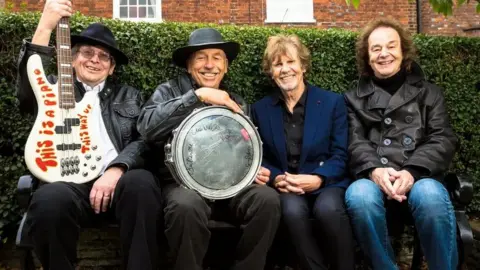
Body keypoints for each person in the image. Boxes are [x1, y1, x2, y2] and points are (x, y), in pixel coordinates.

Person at [16, 0, 162, 269]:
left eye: (104, 56)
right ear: (71, 58)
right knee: (49, 201)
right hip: (69, 184)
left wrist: (117, 168)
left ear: (112, 67)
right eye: (87, 52)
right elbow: (25, 94)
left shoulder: (129, 96)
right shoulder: (53, 90)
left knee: (142, 183)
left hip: (118, 182)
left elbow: (145, 139)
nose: (95, 59)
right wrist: (45, 25)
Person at [136, 27, 281, 270]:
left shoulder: (235, 101)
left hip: (230, 185)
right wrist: (197, 96)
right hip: (181, 185)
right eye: (201, 58)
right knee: (185, 207)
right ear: (189, 65)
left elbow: (242, 147)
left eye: (217, 58)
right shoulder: (168, 91)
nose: (209, 65)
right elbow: (147, 128)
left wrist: (251, 169)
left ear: (225, 66)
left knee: (266, 200)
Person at [344, 18, 458, 270]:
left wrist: (412, 171)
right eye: (376, 48)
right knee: (359, 196)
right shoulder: (352, 99)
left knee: (430, 195)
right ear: (367, 56)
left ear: (403, 51)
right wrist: (375, 170)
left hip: (420, 177)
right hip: (374, 180)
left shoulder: (430, 93)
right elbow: (354, 141)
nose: (384, 54)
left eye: (391, 46)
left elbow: (442, 137)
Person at [251, 34, 355, 270]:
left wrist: (318, 179)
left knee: (329, 210)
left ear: (303, 66)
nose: (285, 69)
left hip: (327, 183)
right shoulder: (260, 109)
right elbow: (260, 155)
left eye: (291, 62)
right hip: (287, 185)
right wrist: (277, 177)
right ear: (270, 72)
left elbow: (341, 153)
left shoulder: (332, 102)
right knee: (291, 212)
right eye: (278, 64)